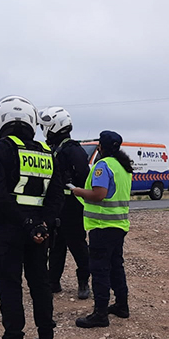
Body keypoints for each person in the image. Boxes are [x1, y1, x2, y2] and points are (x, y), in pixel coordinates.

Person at [0, 95, 64, 339]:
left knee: (10, 286)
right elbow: (56, 197)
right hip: (40, 231)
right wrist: (43, 224)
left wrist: (26, 223)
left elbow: (0, 195)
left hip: (11, 230)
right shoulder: (47, 153)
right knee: (40, 284)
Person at [71, 130, 133, 328]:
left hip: (102, 226)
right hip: (118, 225)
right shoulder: (123, 167)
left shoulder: (102, 166)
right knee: (116, 266)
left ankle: (100, 313)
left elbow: (99, 194)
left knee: (99, 270)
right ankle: (122, 305)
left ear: (100, 147)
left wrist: (77, 191)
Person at [38, 106, 91, 299]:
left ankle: (84, 281)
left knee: (77, 244)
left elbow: (84, 176)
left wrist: (70, 183)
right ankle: (53, 282)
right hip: (56, 205)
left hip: (71, 205)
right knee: (55, 245)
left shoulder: (73, 149)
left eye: (45, 127)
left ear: (54, 126)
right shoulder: (53, 149)